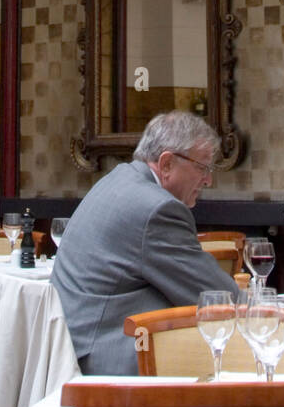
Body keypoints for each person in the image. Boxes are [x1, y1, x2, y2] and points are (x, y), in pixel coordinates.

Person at [52, 110, 237, 374]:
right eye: (203, 167)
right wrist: (268, 309)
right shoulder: (157, 209)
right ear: (167, 164)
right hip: (108, 361)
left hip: (74, 349)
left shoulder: (119, 179)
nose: (208, 179)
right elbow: (217, 300)